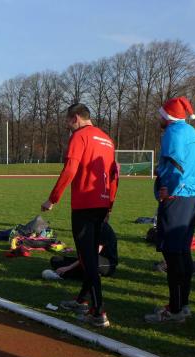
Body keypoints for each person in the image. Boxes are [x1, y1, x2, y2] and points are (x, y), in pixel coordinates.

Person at [41, 103, 118, 328]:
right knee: (89, 256)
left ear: (75, 118)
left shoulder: (79, 136)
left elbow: (70, 169)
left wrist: (53, 199)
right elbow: (114, 175)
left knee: (88, 258)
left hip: (85, 204)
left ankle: (98, 312)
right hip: (102, 204)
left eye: (68, 121)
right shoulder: (107, 139)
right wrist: (109, 205)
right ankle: (82, 300)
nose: (68, 126)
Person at [144, 96, 195, 324]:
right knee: (183, 252)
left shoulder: (173, 133)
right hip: (192, 199)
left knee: (173, 255)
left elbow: (174, 164)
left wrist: (171, 189)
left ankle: (174, 311)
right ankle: (182, 306)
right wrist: (194, 183)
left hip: (176, 199)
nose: (159, 118)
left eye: (161, 115)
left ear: (168, 116)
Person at [42, 221, 118, 280]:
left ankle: (67, 274)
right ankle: (84, 273)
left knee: (90, 261)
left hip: (106, 264)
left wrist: (68, 267)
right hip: (87, 259)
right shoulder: (87, 226)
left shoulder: (103, 227)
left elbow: (92, 254)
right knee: (55, 260)